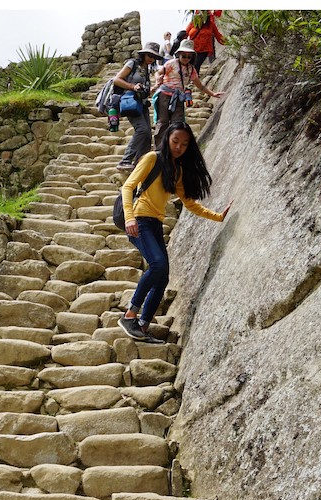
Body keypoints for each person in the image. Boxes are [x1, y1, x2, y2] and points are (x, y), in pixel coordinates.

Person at [118, 121, 231, 344]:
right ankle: (130, 315)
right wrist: (130, 217)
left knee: (163, 277)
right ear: (167, 138)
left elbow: (189, 204)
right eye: (175, 141)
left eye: (184, 144)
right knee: (158, 264)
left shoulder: (177, 171)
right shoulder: (152, 158)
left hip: (155, 225)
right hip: (139, 220)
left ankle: (143, 325)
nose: (179, 147)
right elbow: (127, 187)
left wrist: (217, 216)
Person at [150, 39, 224, 149]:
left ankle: (174, 148)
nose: (186, 58)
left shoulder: (191, 69)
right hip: (165, 94)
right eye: (183, 56)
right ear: (179, 54)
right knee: (163, 122)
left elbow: (199, 85)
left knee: (177, 124)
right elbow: (158, 73)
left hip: (179, 97)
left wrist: (212, 94)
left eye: (189, 57)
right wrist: (157, 80)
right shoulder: (171, 63)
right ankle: (160, 149)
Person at [114, 43, 164, 172]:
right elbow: (117, 79)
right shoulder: (132, 64)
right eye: (149, 55)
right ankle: (125, 160)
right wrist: (132, 86)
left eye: (154, 57)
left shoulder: (146, 70)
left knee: (147, 134)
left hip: (141, 104)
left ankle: (140, 164)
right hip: (130, 101)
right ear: (143, 54)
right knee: (141, 130)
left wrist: (156, 86)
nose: (151, 59)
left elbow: (146, 92)